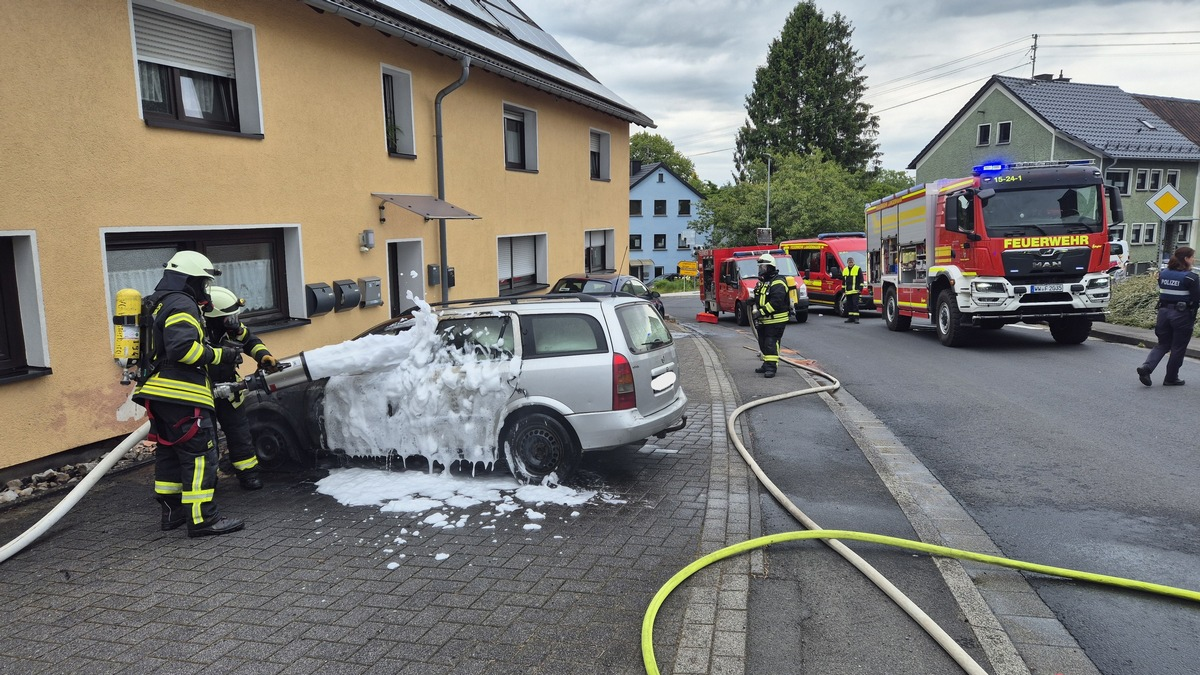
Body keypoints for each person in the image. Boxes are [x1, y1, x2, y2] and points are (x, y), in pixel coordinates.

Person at [132, 250, 244, 537]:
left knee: (169, 452)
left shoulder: (157, 303)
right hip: (183, 394)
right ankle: (202, 519)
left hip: (159, 393)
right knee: (200, 455)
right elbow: (182, 349)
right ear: (189, 280)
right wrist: (222, 355)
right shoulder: (183, 304)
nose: (205, 290)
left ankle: (172, 514)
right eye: (203, 283)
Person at [204, 286, 281, 490]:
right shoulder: (196, 333)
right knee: (206, 439)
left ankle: (249, 475)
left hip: (230, 390)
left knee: (240, 433)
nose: (234, 321)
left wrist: (263, 355)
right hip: (203, 393)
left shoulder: (231, 328)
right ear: (214, 317)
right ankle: (207, 482)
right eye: (229, 317)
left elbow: (250, 341)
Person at [1137, 246, 1200, 387]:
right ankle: (1171, 378)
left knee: (1163, 344)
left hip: (1163, 313)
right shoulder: (1191, 278)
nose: (1193, 259)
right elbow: (1196, 299)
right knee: (1178, 347)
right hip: (1182, 315)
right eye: (1192, 257)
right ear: (1186, 259)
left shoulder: (1163, 274)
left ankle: (1146, 368)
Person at [752, 253, 791, 378]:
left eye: (763, 267)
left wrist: (760, 312)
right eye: (760, 267)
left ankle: (771, 368)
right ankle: (766, 363)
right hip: (765, 320)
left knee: (771, 342)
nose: (761, 270)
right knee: (763, 342)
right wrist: (752, 302)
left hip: (776, 320)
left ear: (770, 267)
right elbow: (760, 297)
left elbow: (776, 302)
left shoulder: (778, 282)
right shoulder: (764, 282)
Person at [842, 256, 864, 323]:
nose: (850, 263)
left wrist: (860, 288)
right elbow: (843, 281)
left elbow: (861, 279)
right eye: (849, 262)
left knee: (855, 305)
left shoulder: (857, 268)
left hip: (855, 291)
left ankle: (856, 318)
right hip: (848, 291)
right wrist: (843, 290)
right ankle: (850, 318)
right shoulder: (845, 270)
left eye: (851, 262)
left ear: (853, 262)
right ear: (847, 263)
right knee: (849, 305)